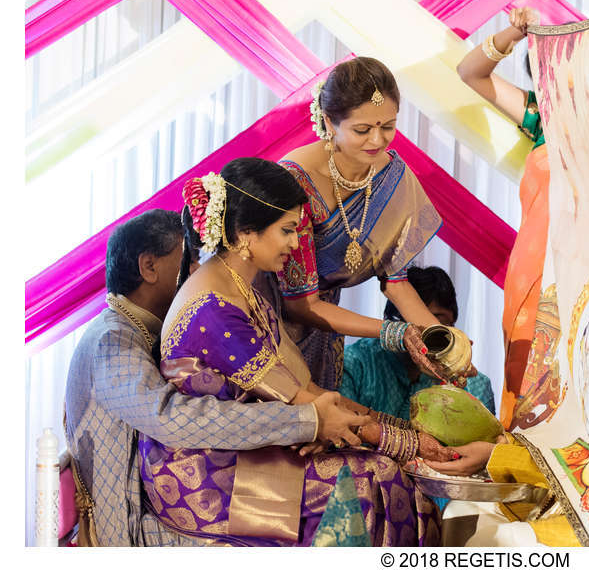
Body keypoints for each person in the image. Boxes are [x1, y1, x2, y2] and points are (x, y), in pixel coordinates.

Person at [140, 157, 452, 546]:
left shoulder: (241, 287)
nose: (296, 243)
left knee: (393, 473)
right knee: (378, 480)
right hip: (206, 474)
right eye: (288, 230)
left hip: (251, 444)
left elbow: (305, 386)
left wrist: (404, 431)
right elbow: (302, 405)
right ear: (245, 233)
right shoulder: (215, 309)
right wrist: (404, 443)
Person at [64, 210, 321, 546]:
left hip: (171, 501)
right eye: (190, 259)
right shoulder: (112, 340)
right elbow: (170, 418)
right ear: (149, 267)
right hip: (132, 529)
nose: (199, 271)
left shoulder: (141, 331)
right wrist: (301, 421)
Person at [274, 56, 474, 391]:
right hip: (271, 323)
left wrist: (445, 344)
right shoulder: (296, 180)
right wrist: (394, 332)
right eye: (362, 130)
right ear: (329, 121)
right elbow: (300, 303)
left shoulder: (391, 176)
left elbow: (395, 281)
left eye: (388, 126)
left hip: (326, 328)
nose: (377, 141)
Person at [457, 8, 549, 428]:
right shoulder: (543, 119)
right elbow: (470, 72)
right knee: (526, 364)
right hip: (533, 266)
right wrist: (514, 33)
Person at [340, 265, 495, 421]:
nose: (426, 336)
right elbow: (342, 431)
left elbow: (488, 444)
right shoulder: (355, 364)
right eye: (415, 321)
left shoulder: (474, 387)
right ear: (393, 321)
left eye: (439, 324)